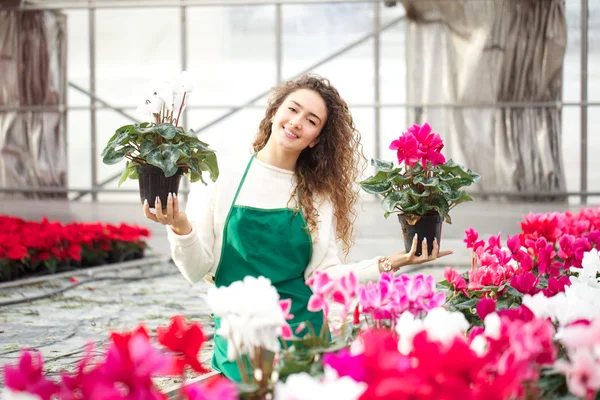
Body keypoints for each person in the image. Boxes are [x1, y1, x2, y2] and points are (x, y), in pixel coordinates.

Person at [143, 74, 452, 381]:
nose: (296, 122)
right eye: (292, 109)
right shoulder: (222, 175)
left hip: (303, 339)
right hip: (239, 339)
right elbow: (197, 269)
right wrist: (181, 227)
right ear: (275, 111)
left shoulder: (318, 195)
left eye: (311, 120)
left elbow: (324, 277)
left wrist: (392, 262)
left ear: (315, 138)